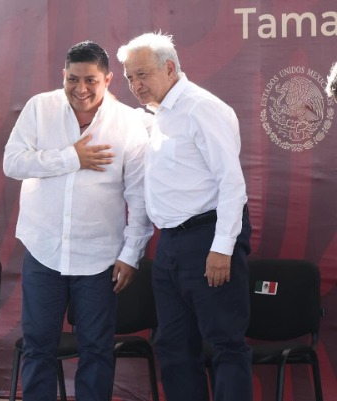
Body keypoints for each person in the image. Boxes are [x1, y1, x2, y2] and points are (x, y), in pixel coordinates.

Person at [3, 41, 152, 401]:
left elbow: (139, 196)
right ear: (63, 75)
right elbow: (13, 163)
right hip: (44, 251)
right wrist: (71, 157)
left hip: (100, 258)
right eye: (73, 79)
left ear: (108, 80)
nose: (80, 89)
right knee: (37, 346)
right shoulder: (40, 108)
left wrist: (131, 254)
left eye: (90, 80)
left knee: (97, 350)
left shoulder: (129, 123)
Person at [117, 33, 252, 401]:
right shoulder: (157, 115)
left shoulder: (201, 108)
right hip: (171, 244)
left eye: (142, 74)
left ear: (169, 68)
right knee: (173, 345)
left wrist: (222, 247)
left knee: (225, 342)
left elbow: (231, 183)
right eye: (129, 77)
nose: (136, 85)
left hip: (209, 237)